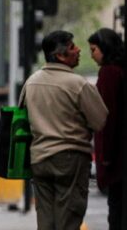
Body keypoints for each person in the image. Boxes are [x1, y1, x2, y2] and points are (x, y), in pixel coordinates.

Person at [19, 30, 108, 230]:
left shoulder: (31, 82)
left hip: (39, 158)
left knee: (45, 219)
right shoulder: (78, 84)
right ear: (60, 55)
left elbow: (21, 119)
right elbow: (100, 121)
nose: (78, 50)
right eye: (72, 47)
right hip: (70, 159)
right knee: (68, 218)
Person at [88, 28, 125, 230]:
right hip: (122, 152)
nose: (91, 55)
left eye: (94, 49)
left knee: (116, 209)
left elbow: (107, 115)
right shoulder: (121, 70)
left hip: (115, 155)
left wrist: (106, 155)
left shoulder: (109, 73)